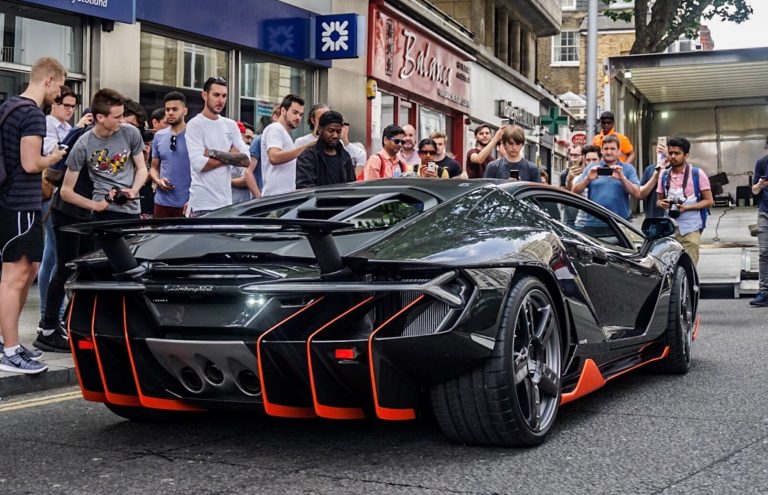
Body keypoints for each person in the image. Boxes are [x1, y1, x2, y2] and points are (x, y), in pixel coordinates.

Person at [0, 57, 67, 373]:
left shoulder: (10, 107)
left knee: (29, 269)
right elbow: (30, 163)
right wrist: (52, 157)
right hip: (20, 203)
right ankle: (10, 351)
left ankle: (8, 342)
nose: (60, 94)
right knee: (15, 277)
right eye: (61, 86)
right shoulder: (32, 115)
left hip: (12, 202)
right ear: (49, 80)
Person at [39, 86, 90, 328]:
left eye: (73, 106)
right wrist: (78, 131)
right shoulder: (48, 124)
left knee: (54, 255)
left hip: (63, 194)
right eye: (66, 105)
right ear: (54, 104)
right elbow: (55, 156)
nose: (70, 110)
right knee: (55, 258)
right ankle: (49, 314)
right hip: (51, 194)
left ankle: (53, 314)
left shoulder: (69, 128)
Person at [60, 88, 148, 222]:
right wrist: (95, 205)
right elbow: (66, 192)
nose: (122, 120)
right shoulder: (84, 143)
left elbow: (142, 168)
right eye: (117, 117)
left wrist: (134, 190)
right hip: (104, 211)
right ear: (100, 117)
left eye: (122, 115)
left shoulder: (131, 132)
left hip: (132, 209)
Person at [185, 76, 249, 215]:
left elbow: (246, 160)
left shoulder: (230, 125)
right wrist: (231, 155)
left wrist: (212, 153)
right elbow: (199, 164)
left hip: (226, 203)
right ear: (204, 95)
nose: (221, 100)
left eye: (224, 96)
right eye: (216, 95)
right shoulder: (195, 124)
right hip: (203, 203)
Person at [655, 137, 713, 265]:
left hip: (691, 228)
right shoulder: (664, 175)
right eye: (670, 153)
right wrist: (662, 203)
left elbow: (709, 201)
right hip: (669, 229)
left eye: (677, 153)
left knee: (689, 266)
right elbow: (658, 202)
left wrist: (687, 208)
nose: (673, 156)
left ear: (686, 155)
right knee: (669, 267)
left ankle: (691, 285)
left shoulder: (697, 174)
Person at [572, 134, 641, 224]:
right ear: (601, 151)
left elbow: (637, 193)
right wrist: (587, 179)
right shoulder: (592, 168)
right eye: (606, 149)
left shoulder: (628, 168)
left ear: (619, 151)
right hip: (593, 223)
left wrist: (623, 179)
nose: (609, 152)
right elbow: (574, 191)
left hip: (621, 224)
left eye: (612, 149)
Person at [261, 94, 314, 197]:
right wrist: (305, 147)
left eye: (301, 114)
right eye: (295, 113)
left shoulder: (284, 133)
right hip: (275, 198)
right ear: (283, 111)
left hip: (283, 197)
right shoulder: (275, 129)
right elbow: (274, 157)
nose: (298, 117)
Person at [149, 91, 191, 218]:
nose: (170, 113)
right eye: (167, 109)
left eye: (174, 109)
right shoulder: (159, 136)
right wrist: (158, 180)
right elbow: (154, 168)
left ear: (185, 111)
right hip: (162, 203)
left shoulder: (194, 135)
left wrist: (195, 199)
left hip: (187, 203)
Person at [296, 110, 355, 188]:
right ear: (320, 129)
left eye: (338, 132)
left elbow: (352, 188)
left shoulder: (345, 157)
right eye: (330, 131)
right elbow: (304, 188)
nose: (335, 136)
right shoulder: (307, 157)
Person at [750, 137, 768, 307]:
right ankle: (764, 291)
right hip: (765, 213)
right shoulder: (762, 163)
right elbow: (754, 191)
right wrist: (760, 185)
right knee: (764, 253)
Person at [247, 108, 280, 198]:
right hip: (263, 195)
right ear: (275, 118)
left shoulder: (285, 141)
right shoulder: (259, 140)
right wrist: (258, 197)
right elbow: (248, 172)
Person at [639, 142, 670, 219]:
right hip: (652, 217)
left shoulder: (677, 169)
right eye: (659, 149)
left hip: (673, 217)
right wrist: (656, 176)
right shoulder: (649, 169)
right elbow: (640, 195)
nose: (662, 152)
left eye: (664, 149)